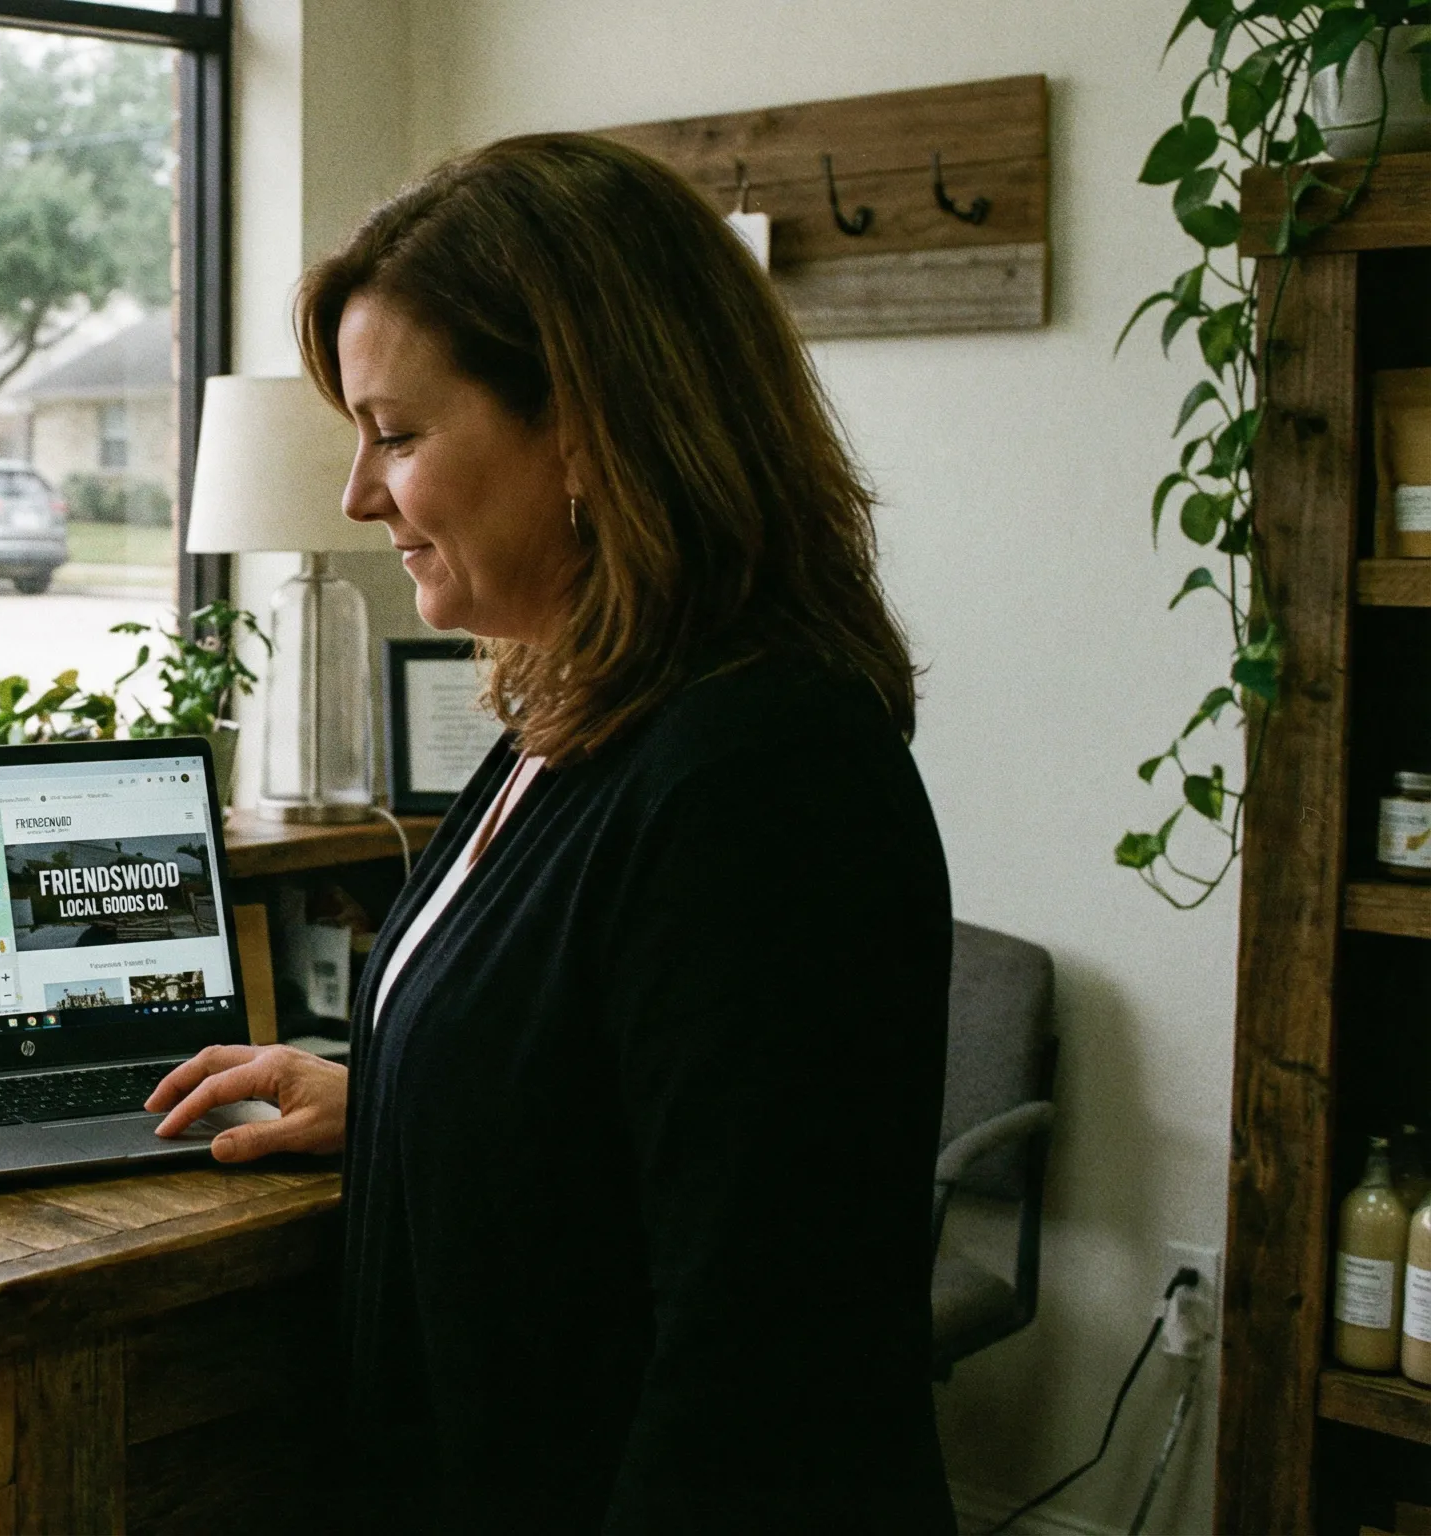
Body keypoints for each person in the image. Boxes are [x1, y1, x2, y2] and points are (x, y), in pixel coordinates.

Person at [145, 133, 956, 1532]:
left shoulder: (763, 780)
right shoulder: (569, 715)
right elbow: (596, 1100)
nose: (356, 495)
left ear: (585, 424)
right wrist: (393, 1100)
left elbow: (758, 1375)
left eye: (396, 435)